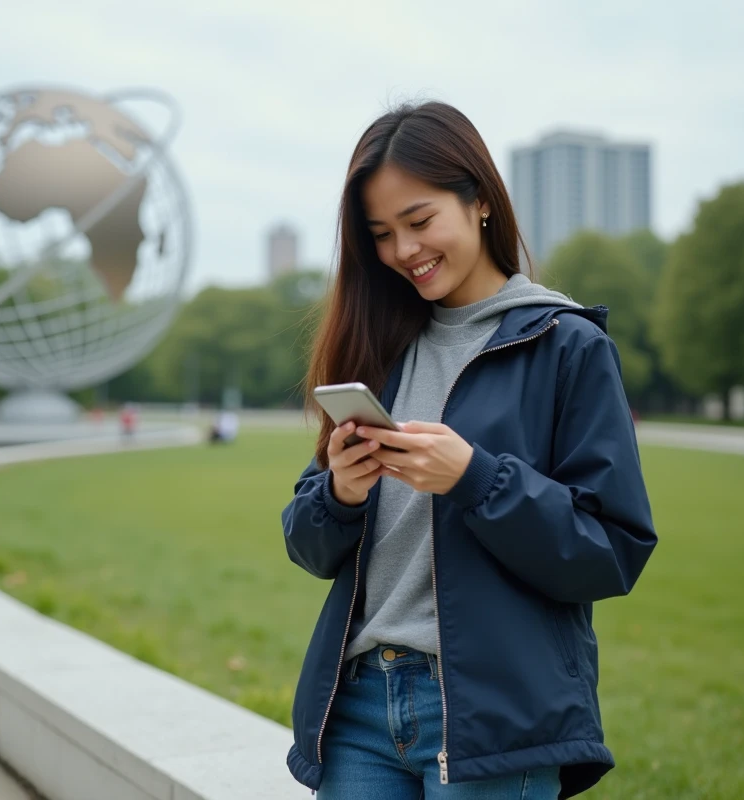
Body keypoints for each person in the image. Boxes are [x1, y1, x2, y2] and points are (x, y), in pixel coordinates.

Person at [280, 102, 658, 800]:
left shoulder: (565, 344)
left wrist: (477, 480)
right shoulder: (381, 347)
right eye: (382, 234)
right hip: (359, 708)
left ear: (480, 199)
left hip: (489, 717)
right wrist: (339, 494)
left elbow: (613, 547)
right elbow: (305, 545)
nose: (403, 251)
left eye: (419, 222)